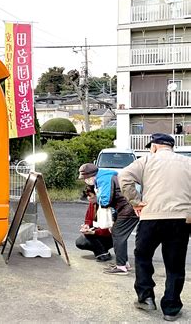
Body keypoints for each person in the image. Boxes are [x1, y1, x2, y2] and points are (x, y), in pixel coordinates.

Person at [118, 133, 191, 321]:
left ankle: (146, 298)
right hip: (180, 219)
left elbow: (123, 175)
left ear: (154, 146)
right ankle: (171, 309)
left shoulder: (147, 160)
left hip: (151, 216)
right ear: (171, 147)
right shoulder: (187, 162)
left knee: (143, 256)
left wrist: (135, 201)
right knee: (175, 264)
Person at [78, 163, 139, 275]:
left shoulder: (103, 179)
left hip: (127, 209)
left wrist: (99, 199)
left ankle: (121, 267)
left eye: (85, 178)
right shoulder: (109, 176)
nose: (85, 181)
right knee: (118, 234)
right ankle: (123, 263)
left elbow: (105, 200)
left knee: (118, 234)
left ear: (91, 176)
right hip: (128, 208)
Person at [75, 185, 113, 262]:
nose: (88, 198)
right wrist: (86, 226)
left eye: (90, 196)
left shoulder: (106, 206)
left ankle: (102, 253)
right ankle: (102, 251)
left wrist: (93, 232)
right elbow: (88, 219)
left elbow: (108, 227)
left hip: (109, 235)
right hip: (98, 231)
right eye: (87, 196)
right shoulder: (92, 204)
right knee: (80, 242)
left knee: (88, 237)